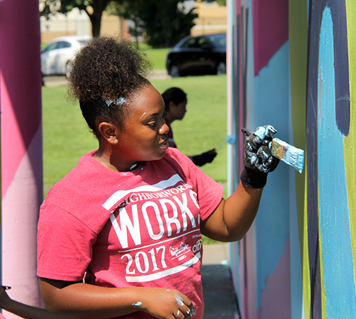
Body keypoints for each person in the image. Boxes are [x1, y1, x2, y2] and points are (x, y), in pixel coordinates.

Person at [37, 36, 278, 319]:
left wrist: (253, 176)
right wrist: (141, 299)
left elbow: (226, 226)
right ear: (110, 132)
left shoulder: (174, 163)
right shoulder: (71, 198)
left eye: (163, 116)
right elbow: (56, 295)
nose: (165, 128)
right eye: (152, 123)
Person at [161, 87, 217, 167]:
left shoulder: (167, 126)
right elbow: (168, 159)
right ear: (172, 105)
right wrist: (196, 159)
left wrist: (197, 158)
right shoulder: (162, 128)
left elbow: (174, 158)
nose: (185, 110)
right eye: (183, 106)